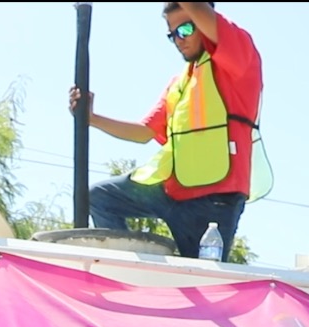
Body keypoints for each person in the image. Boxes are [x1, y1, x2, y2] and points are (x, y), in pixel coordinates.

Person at [68, 1, 264, 261]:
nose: (178, 40)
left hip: (214, 200)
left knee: (200, 282)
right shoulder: (180, 83)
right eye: (172, 35)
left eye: (184, 30)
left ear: (204, 19)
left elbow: (198, 8)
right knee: (98, 197)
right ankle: (130, 268)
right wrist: (91, 118)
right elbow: (144, 132)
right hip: (169, 191)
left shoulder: (238, 59)